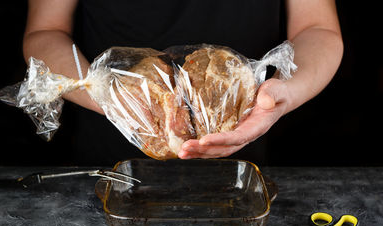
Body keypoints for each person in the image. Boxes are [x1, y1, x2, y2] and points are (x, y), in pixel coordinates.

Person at [23, 0, 343, 163]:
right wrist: (108, 95)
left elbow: (317, 28)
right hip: (111, 171)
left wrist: (286, 90)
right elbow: (46, 31)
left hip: (240, 161)